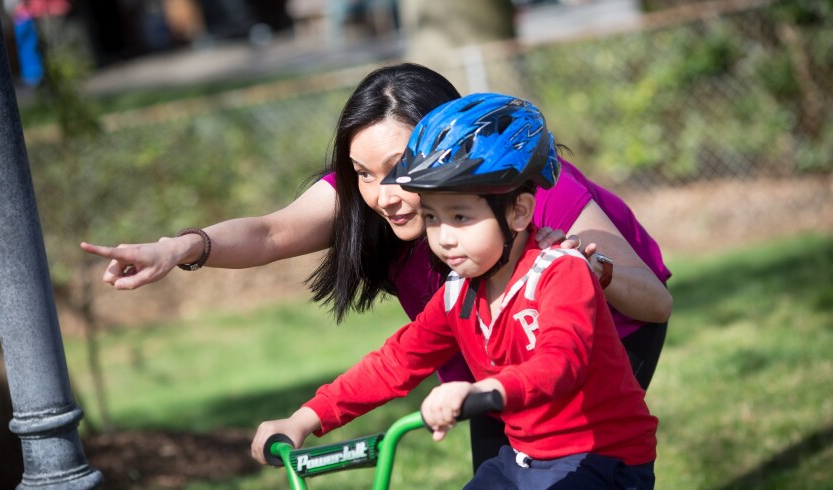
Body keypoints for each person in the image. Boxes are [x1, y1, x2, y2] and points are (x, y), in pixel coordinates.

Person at [80, 62, 671, 470]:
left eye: (394, 168)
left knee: (565, 462)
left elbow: (654, 302)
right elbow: (268, 233)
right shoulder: (444, 274)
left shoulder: (526, 189)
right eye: (362, 173)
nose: (381, 193)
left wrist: (592, 275)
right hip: (490, 343)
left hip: (598, 337)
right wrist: (177, 248)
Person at [250, 94, 657, 489]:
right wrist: (306, 418)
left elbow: (560, 361)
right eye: (431, 217)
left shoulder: (561, 272)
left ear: (518, 212)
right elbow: (395, 363)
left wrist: (485, 390)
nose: (443, 238)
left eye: (460, 216)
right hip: (524, 458)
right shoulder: (457, 294)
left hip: (603, 461)